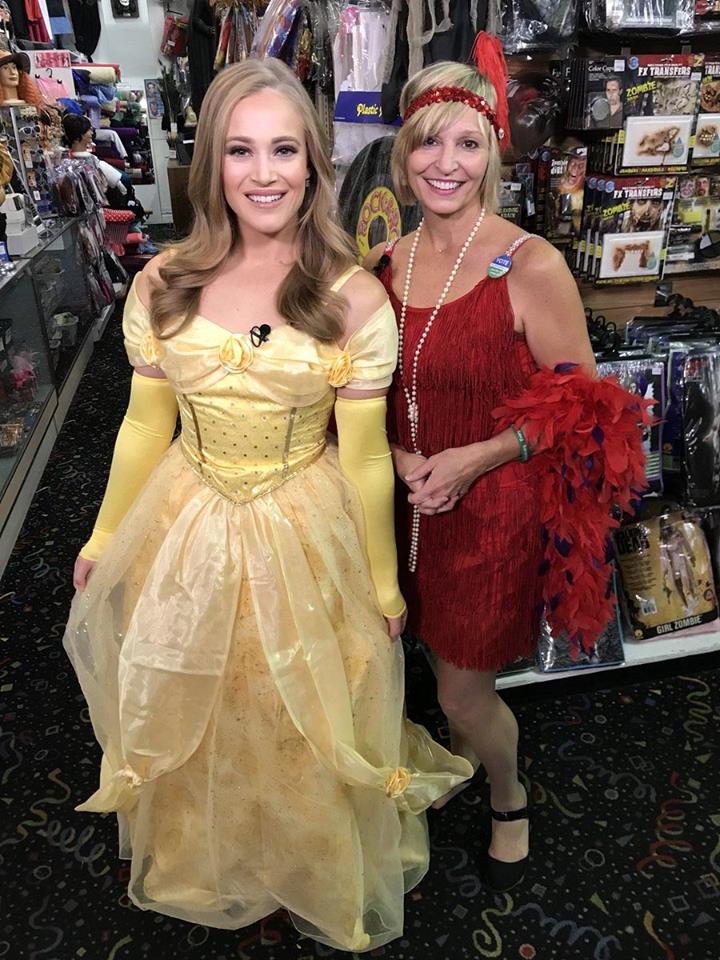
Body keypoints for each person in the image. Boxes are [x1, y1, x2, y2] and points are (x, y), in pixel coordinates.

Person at [63, 58, 471, 953]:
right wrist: (100, 537)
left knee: (304, 709)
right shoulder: (164, 284)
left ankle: (304, 860)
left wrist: (382, 583)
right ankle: (219, 854)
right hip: (191, 516)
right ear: (210, 165)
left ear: (315, 165)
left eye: (284, 149)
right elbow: (141, 428)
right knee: (200, 699)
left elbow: (364, 455)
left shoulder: (353, 295)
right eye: (239, 150)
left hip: (305, 519)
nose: (263, 173)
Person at [365, 35, 651, 893]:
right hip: (396, 503)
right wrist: (398, 454)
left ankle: (507, 793)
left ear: (492, 152)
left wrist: (476, 457)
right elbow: (363, 393)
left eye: (467, 142)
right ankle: (457, 765)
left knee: (460, 694)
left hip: (489, 515)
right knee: (410, 657)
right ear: (402, 153)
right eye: (427, 140)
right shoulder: (385, 260)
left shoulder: (531, 264)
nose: (444, 162)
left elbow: (584, 407)